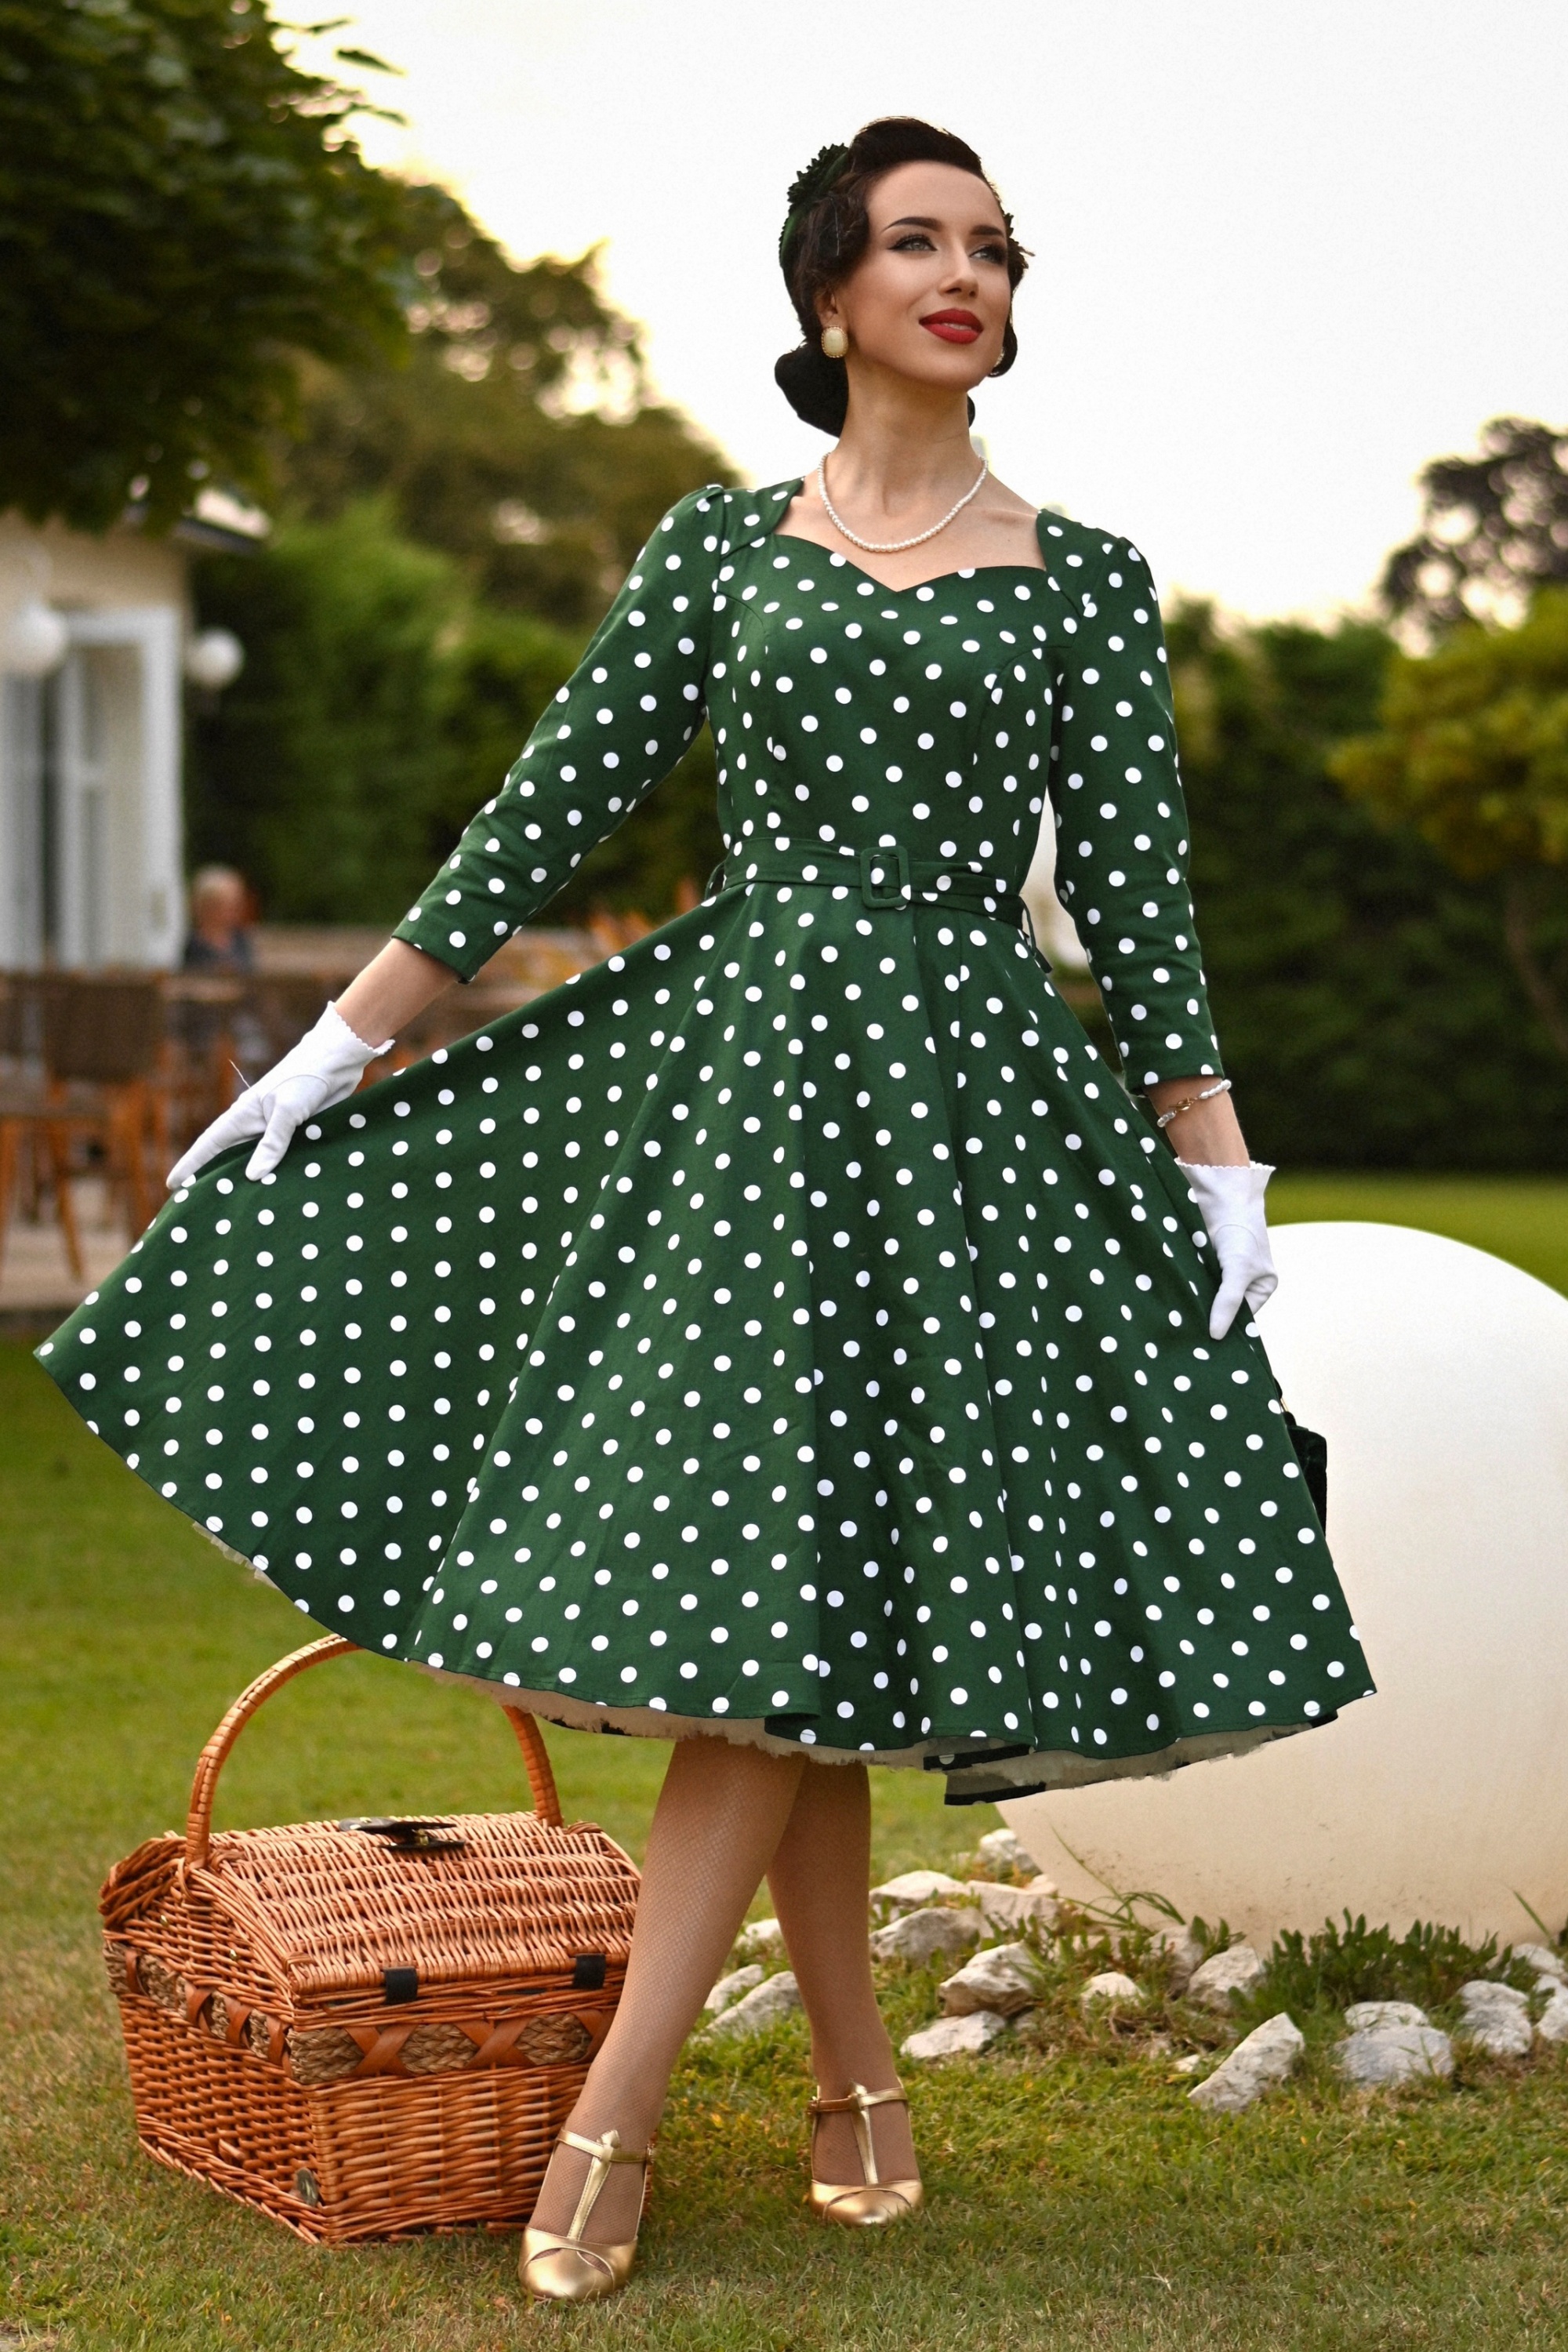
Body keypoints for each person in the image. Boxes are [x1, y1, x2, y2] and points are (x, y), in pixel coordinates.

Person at [39, 118, 1372, 2303]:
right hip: (741, 1113)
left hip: (963, 1136)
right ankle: (819, 2086)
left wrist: (1217, 1168)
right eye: (919, 240)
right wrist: (339, 1046)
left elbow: (1139, 902)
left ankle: (636, 2106)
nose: (968, 273)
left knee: (800, 1620)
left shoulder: (1085, 579)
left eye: (994, 247)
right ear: (830, 289)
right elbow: (546, 805)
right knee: (778, 1611)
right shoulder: (719, 553)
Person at [180, 865, 255, 973]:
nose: (235, 911)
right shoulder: (193, 945)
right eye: (228, 905)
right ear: (207, 907)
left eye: (236, 904)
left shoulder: (241, 940)